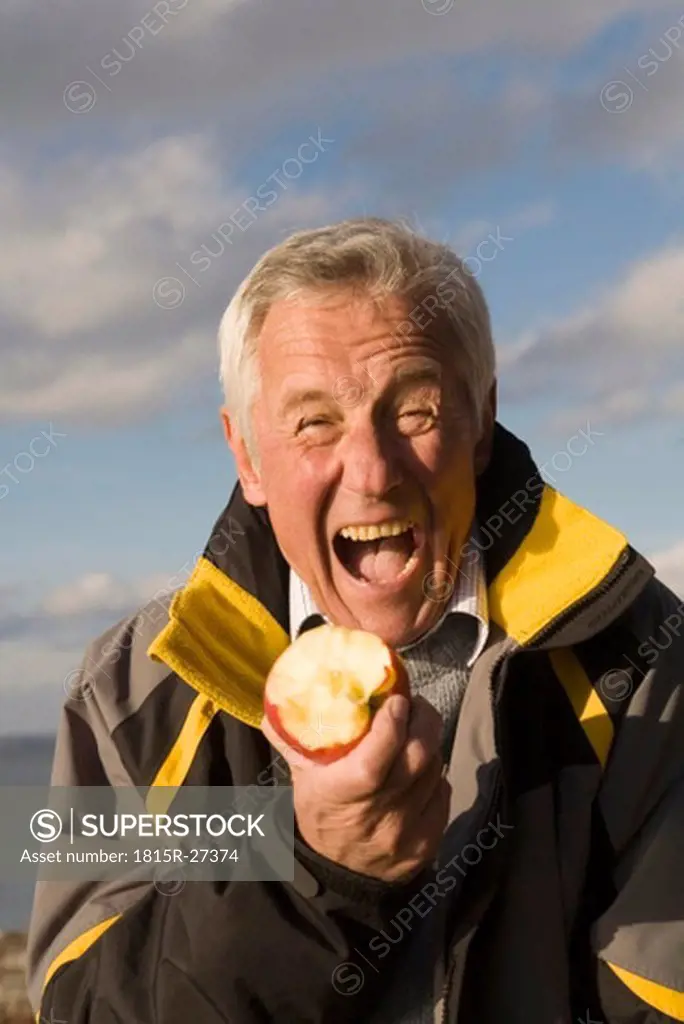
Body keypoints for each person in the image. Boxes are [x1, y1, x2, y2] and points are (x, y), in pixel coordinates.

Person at [27, 218, 684, 1023]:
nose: (373, 472)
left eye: (415, 410)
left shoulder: (642, 663)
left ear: (481, 422)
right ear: (248, 458)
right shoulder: (131, 692)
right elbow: (85, 1004)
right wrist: (313, 876)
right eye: (313, 421)